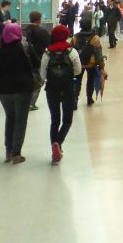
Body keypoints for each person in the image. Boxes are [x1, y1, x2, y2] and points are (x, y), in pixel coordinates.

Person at [0, 23, 37, 164]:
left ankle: (8, 151)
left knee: (10, 118)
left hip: (4, 92)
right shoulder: (25, 49)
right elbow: (36, 63)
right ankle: (16, 153)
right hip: (23, 90)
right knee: (21, 121)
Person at [40, 25, 82, 164]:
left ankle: (54, 149)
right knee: (67, 120)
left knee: (55, 120)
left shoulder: (47, 52)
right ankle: (58, 143)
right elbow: (78, 70)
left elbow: (42, 74)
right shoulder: (72, 51)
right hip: (68, 88)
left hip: (51, 89)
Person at [72, 15, 104, 107]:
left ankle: (75, 101)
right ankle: (89, 98)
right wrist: (101, 66)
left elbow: (71, 50)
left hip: (79, 63)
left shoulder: (75, 37)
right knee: (90, 81)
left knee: (77, 81)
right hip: (91, 63)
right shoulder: (95, 38)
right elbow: (98, 53)